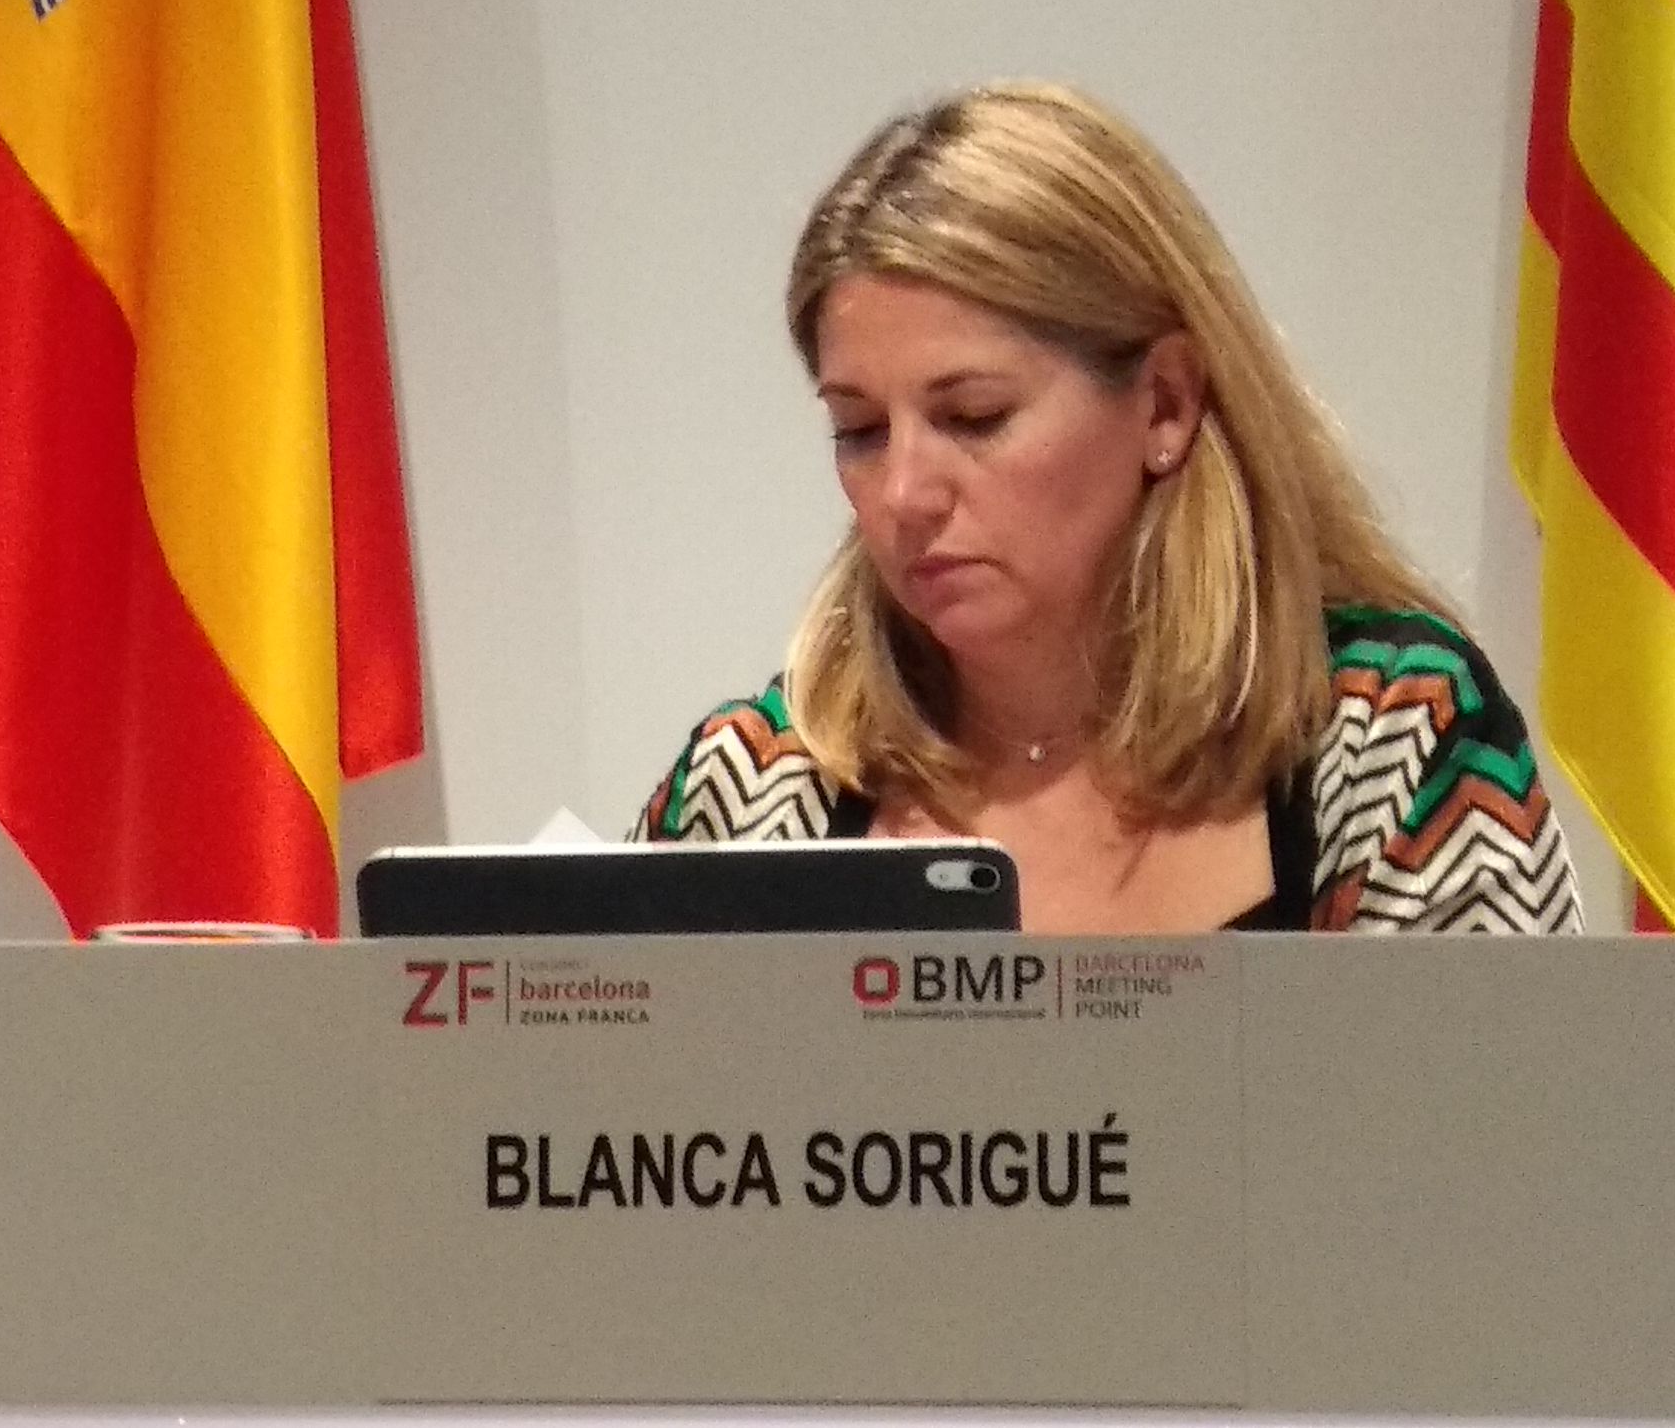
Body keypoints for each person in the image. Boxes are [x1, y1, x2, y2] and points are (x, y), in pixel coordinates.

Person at [632, 83, 1580, 933]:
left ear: (1164, 402)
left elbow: (1520, 1120)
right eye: (860, 431)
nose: (905, 494)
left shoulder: (1392, 741)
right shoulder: (750, 795)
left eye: (975, 417)